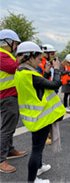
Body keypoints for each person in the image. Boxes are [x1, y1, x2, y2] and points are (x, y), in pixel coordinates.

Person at [15, 41, 65, 183]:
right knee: (37, 149)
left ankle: (40, 167)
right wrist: (57, 70)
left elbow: (38, 82)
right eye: (38, 59)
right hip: (40, 117)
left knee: (38, 146)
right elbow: (55, 85)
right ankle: (32, 180)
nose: (39, 61)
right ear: (30, 58)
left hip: (31, 115)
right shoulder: (30, 75)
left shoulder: (21, 72)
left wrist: (48, 71)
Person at [0, 29, 27, 174]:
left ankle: (10, 151)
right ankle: (1, 159)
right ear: (7, 42)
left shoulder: (7, 55)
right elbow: (13, 68)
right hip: (6, 97)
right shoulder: (1, 55)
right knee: (6, 128)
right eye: (15, 43)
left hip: (11, 96)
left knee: (11, 126)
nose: (16, 46)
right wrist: (22, 60)